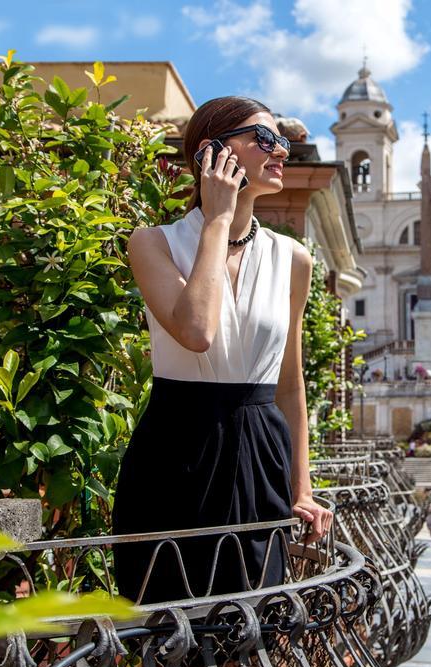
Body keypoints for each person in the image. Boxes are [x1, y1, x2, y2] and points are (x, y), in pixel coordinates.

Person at [113, 96, 332, 602]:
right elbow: (196, 330)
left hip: (261, 456)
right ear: (213, 152)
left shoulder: (293, 259)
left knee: (248, 635)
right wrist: (216, 219)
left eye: (283, 140)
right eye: (265, 138)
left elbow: (289, 383)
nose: (281, 151)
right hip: (174, 453)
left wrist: (303, 488)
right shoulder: (153, 243)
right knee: (168, 636)